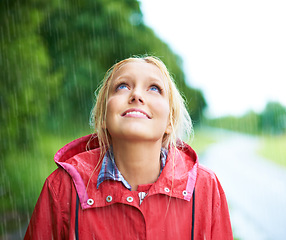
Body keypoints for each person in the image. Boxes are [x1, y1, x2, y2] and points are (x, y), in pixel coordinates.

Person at [25, 56, 233, 239]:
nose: (136, 95)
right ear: (104, 116)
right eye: (123, 86)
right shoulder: (62, 187)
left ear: (170, 122)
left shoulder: (206, 188)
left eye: (154, 88)